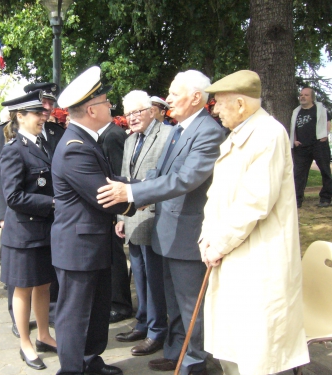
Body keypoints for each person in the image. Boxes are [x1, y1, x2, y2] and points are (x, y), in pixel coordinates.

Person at [96, 70, 226, 374]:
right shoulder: (180, 128)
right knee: (174, 303)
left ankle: (193, 363)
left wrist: (130, 191)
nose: (167, 99)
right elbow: (160, 175)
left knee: (191, 306)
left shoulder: (208, 132)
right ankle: (175, 351)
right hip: (167, 232)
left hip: (189, 234)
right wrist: (128, 197)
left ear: (196, 97)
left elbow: (185, 179)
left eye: (173, 93)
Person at [200, 70, 310, 374]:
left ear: (239, 103)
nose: (216, 110)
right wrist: (207, 238)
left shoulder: (268, 134)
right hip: (232, 256)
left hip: (258, 261)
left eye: (219, 103)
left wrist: (217, 244)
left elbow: (254, 202)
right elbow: (217, 196)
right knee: (233, 350)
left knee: (258, 356)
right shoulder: (238, 135)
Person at [51, 66, 136, 375]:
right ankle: (72, 370)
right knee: (75, 315)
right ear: (91, 109)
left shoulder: (85, 140)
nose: (110, 105)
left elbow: (111, 179)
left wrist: (136, 185)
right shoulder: (75, 148)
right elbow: (104, 194)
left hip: (90, 243)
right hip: (78, 248)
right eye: (105, 101)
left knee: (96, 310)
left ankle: (90, 363)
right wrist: (143, 192)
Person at [0, 90, 57, 370]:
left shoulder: (42, 145)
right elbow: (13, 197)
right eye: (37, 113)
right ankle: (26, 342)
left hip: (45, 230)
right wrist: (53, 203)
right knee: (22, 289)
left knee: (44, 285)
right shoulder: (13, 149)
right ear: (20, 116)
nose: (42, 117)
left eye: (43, 113)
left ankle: (44, 335)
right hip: (23, 233)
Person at [114, 90, 170, 356]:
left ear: (151, 110)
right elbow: (125, 180)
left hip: (156, 221)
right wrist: (121, 216)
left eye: (136, 112)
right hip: (133, 220)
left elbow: (169, 181)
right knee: (139, 276)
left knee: (155, 279)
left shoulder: (168, 136)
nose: (132, 118)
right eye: (127, 113)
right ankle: (143, 322)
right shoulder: (129, 141)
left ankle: (157, 331)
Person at [96, 117, 133, 324]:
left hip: (116, 205)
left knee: (116, 258)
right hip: (110, 206)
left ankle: (120, 304)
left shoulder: (112, 135)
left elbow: (120, 174)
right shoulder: (106, 134)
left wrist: (121, 214)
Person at [290, 87, 332, 208]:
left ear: (312, 97)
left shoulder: (320, 109)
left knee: (325, 172)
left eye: (306, 95)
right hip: (301, 147)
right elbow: (294, 127)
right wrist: (295, 140)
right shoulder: (296, 111)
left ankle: (325, 198)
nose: (302, 97)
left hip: (318, 145)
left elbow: (328, 122)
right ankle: (297, 201)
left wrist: (325, 134)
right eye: (301, 95)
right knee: (298, 174)